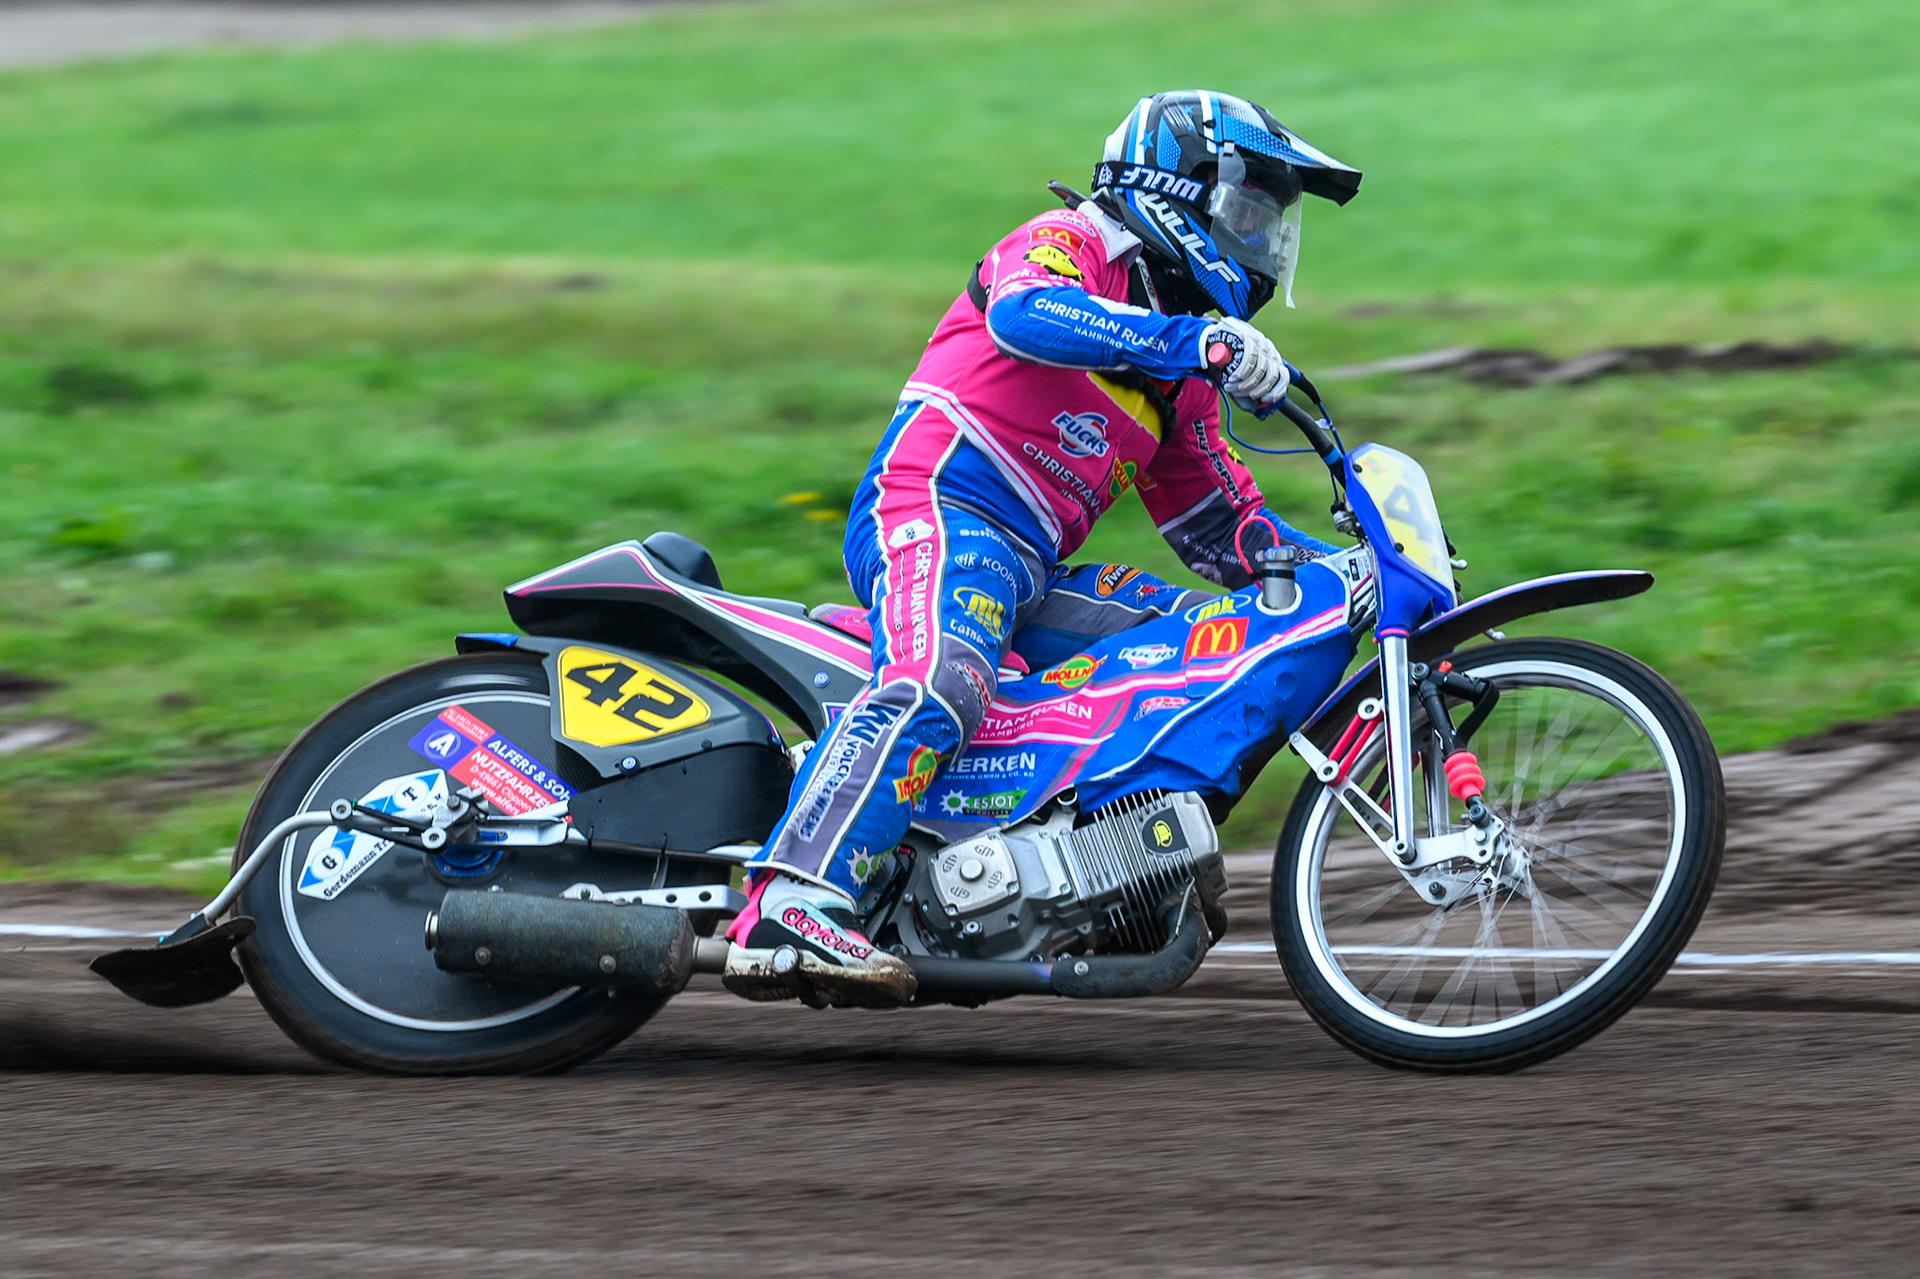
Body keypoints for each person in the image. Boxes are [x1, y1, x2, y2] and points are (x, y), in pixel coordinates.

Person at [723, 90, 1362, 1006]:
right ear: (1177, 185)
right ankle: (794, 893)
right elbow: (1024, 315)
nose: (1261, 240)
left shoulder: (1176, 380)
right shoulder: (1073, 242)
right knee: (943, 674)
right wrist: (1199, 341)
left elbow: (1227, 533)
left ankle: (1077, 867)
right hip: (938, 508)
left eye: (1272, 223)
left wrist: (1360, 575)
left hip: (1032, 567)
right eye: (1248, 211)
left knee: (1203, 636)